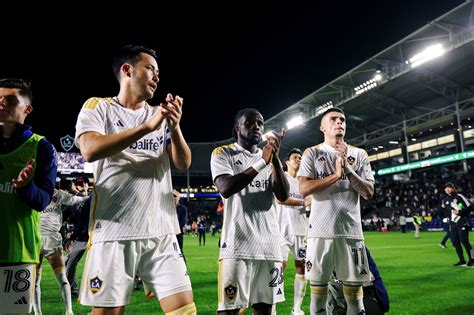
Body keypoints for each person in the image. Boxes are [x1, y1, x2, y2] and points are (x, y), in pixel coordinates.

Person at [74, 45, 195, 314]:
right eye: (150, 68)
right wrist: (145, 129)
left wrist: (174, 128)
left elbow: (183, 162)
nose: (156, 76)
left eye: (158, 72)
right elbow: (90, 149)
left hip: (160, 229)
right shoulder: (98, 107)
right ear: (127, 70)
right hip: (115, 230)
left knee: (185, 310)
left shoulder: (159, 115)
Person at [211, 108, 289, 315]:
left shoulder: (269, 158)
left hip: (270, 248)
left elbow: (282, 195)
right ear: (238, 127)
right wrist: (262, 162)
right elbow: (226, 188)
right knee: (229, 310)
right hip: (237, 247)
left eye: (260, 123)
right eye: (250, 122)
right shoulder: (223, 153)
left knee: (265, 309)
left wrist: (275, 160)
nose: (256, 126)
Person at [298, 107, 374, 315]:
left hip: (351, 234)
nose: (339, 122)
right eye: (333, 119)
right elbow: (303, 189)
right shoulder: (312, 153)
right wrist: (335, 175)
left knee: (356, 302)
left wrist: (348, 171)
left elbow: (368, 192)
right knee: (318, 300)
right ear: (323, 127)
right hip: (320, 234)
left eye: (342, 119)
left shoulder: (359, 154)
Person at [0, 78, 57, 314]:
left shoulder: (41, 147)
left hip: (18, 252)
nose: (2, 103)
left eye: (10, 100)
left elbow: (43, 200)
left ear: (28, 108)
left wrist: (24, 187)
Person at [33, 188, 88, 315]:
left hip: (52, 239)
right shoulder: (33, 193)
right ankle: (38, 312)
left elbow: (77, 200)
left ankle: (69, 311)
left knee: (62, 278)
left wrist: (92, 195)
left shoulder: (58, 194)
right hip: (35, 238)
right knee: (35, 281)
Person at [275, 148, 310, 315]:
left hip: (301, 230)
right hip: (281, 230)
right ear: (287, 162)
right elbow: (279, 199)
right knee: (278, 268)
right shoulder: (282, 178)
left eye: (301, 158)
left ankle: (297, 308)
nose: (299, 160)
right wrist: (303, 202)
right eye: (295, 157)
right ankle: (272, 306)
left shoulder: (305, 182)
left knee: (301, 268)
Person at [65, 193, 92, 301]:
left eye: (83, 183)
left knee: (98, 266)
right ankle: (73, 291)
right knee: (70, 265)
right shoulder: (73, 203)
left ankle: (96, 292)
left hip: (95, 237)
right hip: (80, 239)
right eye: (79, 184)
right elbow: (62, 216)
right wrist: (68, 238)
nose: (81, 186)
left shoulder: (93, 198)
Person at [442, 182, 473, 267]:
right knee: (455, 243)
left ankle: (472, 259)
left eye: (449, 187)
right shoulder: (445, 200)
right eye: (445, 188)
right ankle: (462, 260)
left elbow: (470, 207)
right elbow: (447, 212)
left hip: (462, 222)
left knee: (464, 241)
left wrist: (460, 212)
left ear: (453, 188)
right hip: (452, 224)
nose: (447, 189)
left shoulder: (459, 196)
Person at [173, 189, 188, 261]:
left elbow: (183, 221)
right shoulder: (167, 208)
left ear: (178, 198)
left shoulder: (183, 208)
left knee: (180, 251)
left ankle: (184, 270)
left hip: (178, 233)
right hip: (168, 234)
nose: (174, 198)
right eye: (172, 196)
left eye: (175, 196)